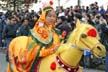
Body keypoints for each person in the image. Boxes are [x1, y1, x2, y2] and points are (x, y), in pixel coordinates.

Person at [7, 5, 65, 72]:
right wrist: (51, 50)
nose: (52, 18)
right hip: (40, 61)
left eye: (54, 16)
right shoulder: (39, 30)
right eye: (49, 16)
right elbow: (36, 51)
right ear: (43, 17)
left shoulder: (56, 31)